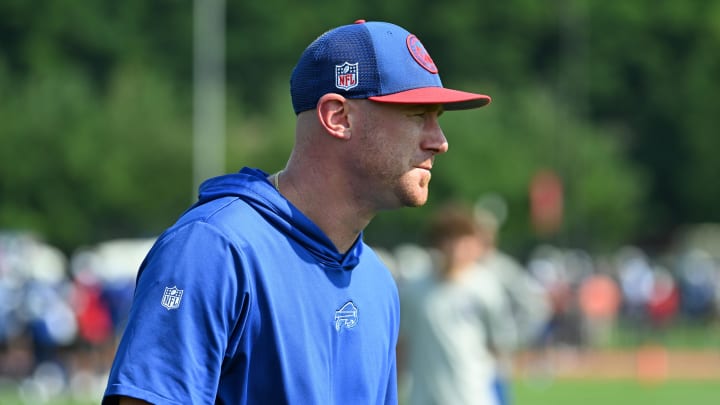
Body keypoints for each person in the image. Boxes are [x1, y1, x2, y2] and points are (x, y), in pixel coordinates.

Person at [102, 20, 491, 404]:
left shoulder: (377, 281)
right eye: (416, 116)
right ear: (337, 117)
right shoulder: (214, 250)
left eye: (438, 118)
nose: (439, 142)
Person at [399, 202, 516, 405]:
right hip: (425, 398)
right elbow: (402, 346)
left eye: (462, 239)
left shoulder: (486, 287)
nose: (455, 248)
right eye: (448, 240)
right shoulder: (413, 291)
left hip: (473, 398)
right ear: (435, 244)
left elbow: (498, 347)